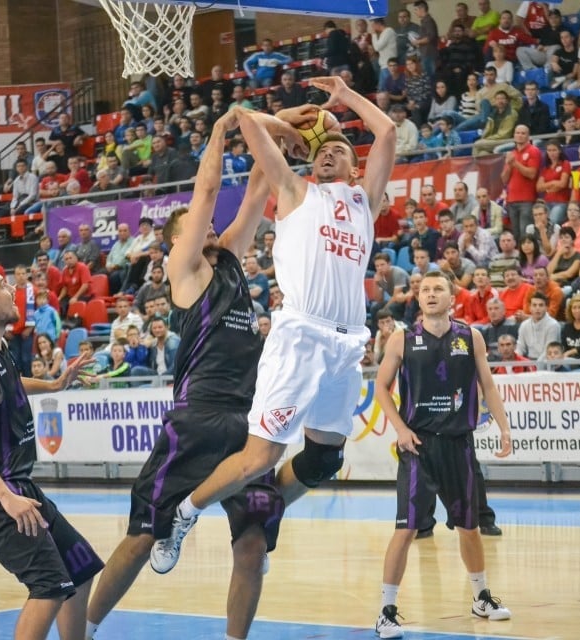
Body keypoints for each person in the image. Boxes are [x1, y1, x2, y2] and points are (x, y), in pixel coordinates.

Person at [154, 76, 397, 574]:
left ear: (356, 166)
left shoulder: (363, 205)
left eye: (338, 151)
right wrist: (284, 122)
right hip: (301, 337)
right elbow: (246, 123)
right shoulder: (293, 189)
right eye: (321, 151)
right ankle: (185, 512)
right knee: (261, 456)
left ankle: (268, 510)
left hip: (347, 345)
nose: (327, 155)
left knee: (326, 458)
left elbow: (389, 131)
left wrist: (346, 97)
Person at [85, 107, 284, 640]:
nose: (213, 227)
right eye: (200, 227)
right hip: (196, 418)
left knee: (252, 543)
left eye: (214, 227)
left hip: (246, 420)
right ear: (179, 241)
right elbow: (207, 191)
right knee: (144, 535)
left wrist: (277, 122)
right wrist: (220, 130)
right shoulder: (185, 269)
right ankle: (87, 627)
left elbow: (260, 186)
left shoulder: (229, 263)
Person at [0, 267, 103, 640]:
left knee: (80, 568)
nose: (12, 289)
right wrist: (5, 497)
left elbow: (5, 386)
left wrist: (54, 383)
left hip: (16, 483)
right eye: (3, 286)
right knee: (49, 587)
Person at [372, 271, 513, 638]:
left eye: (439, 289)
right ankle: (386, 610)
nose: (431, 294)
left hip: (458, 444)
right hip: (418, 446)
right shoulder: (403, 339)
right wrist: (400, 430)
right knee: (406, 530)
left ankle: (481, 596)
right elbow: (380, 388)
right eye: (426, 290)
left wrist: (504, 427)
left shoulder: (471, 337)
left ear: (453, 298)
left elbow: (488, 385)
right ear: (418, 299)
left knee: (470, 528)